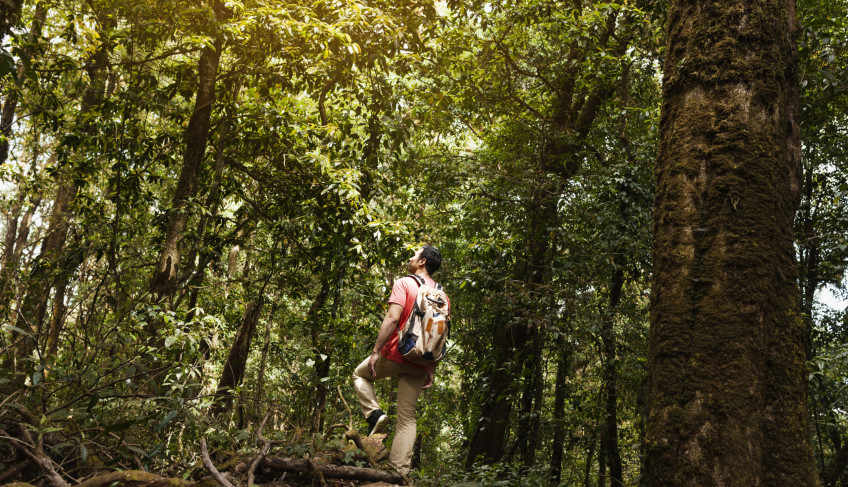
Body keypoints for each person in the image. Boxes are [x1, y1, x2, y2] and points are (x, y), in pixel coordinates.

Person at [351, 245, 450, 475]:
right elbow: (439, 335)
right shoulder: (443, 296)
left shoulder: (405, 283)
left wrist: (376, 351)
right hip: (421, 361)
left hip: (396, 352)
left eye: (414, 254)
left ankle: (374, 413)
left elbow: (393, 318)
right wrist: (431, 368)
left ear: (423, 261)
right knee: (407, 417)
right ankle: (399, 472)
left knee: (359, 374)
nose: (410, 257)